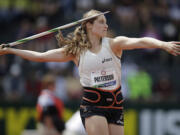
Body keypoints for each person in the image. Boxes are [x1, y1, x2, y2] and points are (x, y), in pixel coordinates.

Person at [0, 9, 180, 135]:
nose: (106, 25)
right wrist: (11, 50)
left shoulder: (114, 44)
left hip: (115, 105)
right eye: (101, 22)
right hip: (93, 105)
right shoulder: (76, 52)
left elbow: (141, 41)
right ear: (89, 26)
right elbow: (41, 56)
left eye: (106, 22)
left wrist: (162, 44)